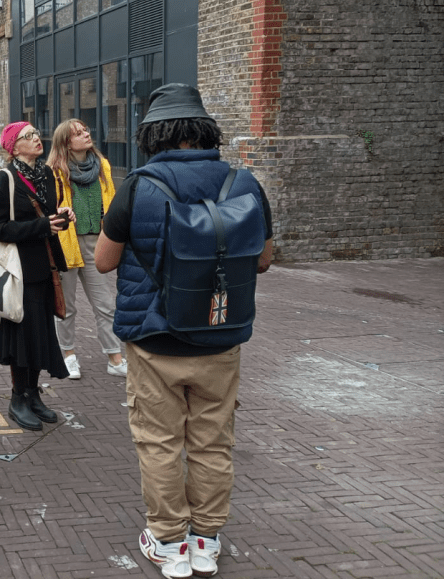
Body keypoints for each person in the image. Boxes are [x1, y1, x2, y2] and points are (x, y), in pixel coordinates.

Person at [94, 84, 274, 579]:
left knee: (158, 442)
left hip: (154, 340)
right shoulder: (244, 183)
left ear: (153, 134)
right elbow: (262, 259)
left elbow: (103, 262)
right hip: (221, 334)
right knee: (214, 442)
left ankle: (168, 543)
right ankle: (206, 540)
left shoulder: (138, 186)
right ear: (205, 130)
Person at [0, 122, 73, 431]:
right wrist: (41, 227)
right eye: (28, 136)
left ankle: (34, 395)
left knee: (39, 334)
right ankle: (17, 398)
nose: (37, 138)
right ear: (13, 147)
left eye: (37, 133)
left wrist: (62, 213)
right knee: (22, 337)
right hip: (19, 270)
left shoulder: (46, 175)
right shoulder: (2, 181)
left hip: (45, 267)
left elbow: (45, 213)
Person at [47, 119, 126, 380]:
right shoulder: (55, 170)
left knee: (105, 303)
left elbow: (111, 201)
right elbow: (49, 208)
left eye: (86, 130)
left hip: (96, 242)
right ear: (66, 143)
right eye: (78, 133)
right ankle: (68, 355)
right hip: (66, 244)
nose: (86, 134)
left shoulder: (102, 165)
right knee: (66, 307)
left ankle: (115, 358)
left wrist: (112, 234)